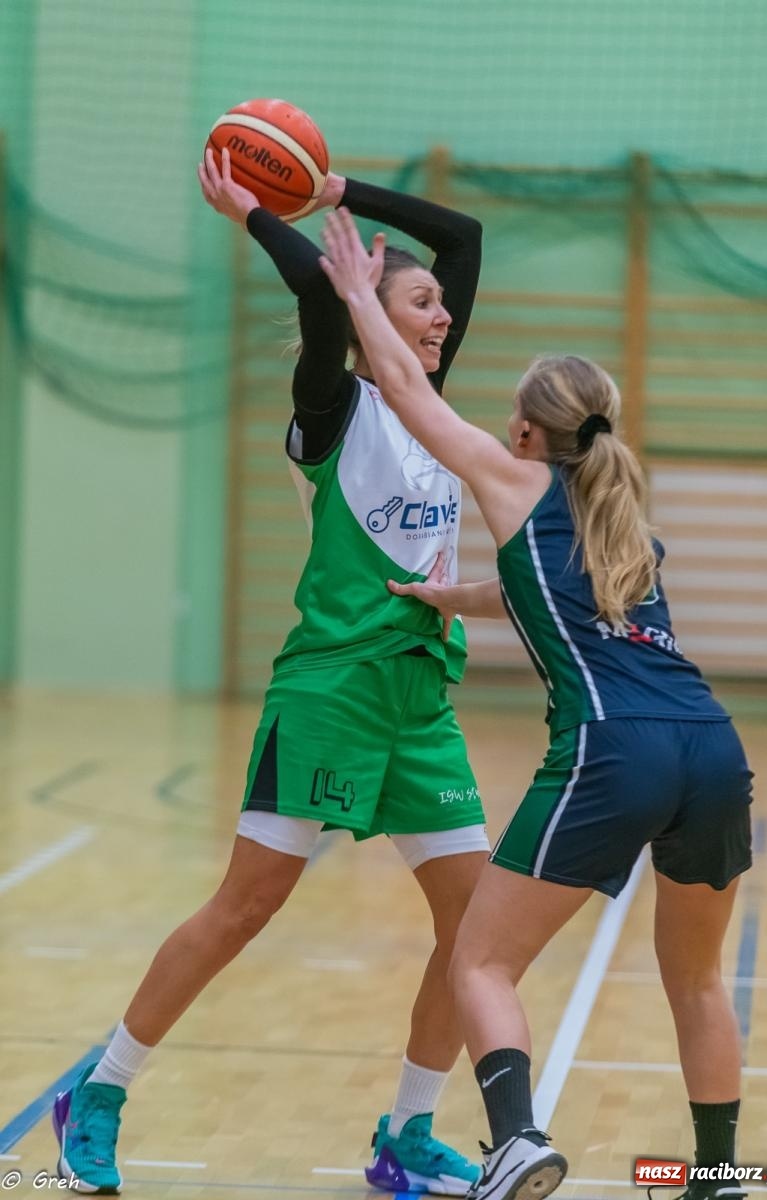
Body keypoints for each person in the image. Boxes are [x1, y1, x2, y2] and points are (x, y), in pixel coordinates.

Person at [51, 150, 490, 1197]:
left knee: (471, 928)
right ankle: (100, 1090)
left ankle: (405, 1136)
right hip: (331, 689)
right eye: (418, 303)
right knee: (245, 907)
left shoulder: (431, 403)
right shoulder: (337, 409)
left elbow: (464, 238)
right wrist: (257, 210)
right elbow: (313, 293)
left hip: (419, 696)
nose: (440, 317)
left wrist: (338, 191)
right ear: (364, 317)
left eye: (438, 307)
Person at [317, 208, 754, 1200]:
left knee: (478, 959)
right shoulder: (621, 522)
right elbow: (541, 595)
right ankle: (718, 1175)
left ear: (524, 430)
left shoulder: (510, 476)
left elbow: (398, 386)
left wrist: (355, 293)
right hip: (712, 750)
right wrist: (449, 596)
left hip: (613, 749)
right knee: (693, 977)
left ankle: (513, 1140)